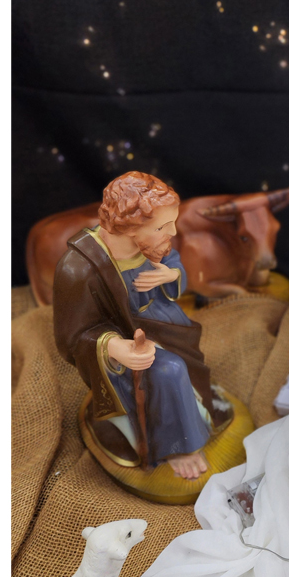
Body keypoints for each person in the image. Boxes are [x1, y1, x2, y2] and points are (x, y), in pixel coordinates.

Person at [52, 170, 232, 479]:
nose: (172, 232)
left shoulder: (151, 245)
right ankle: (178, 446)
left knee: (188, 366)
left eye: (173, 222)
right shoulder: (78, 269)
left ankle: (195, 404)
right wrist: (114, 347)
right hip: (125, 341)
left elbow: (173, 261)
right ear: (129, 228)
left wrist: (171, 275)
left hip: (168, 326)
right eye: (162, 226)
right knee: (168, 370)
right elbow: (71, 336)